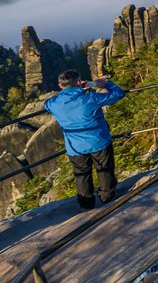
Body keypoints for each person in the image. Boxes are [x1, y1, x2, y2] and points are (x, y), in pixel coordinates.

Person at [44, 70, 126, 210]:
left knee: (81, 175)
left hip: (74, 147)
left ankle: (86, 204)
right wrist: (106, 84)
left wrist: (74, 90)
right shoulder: (90, 98)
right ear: (78, 82)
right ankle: (107, 198)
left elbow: (46, 104)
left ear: (60, 85)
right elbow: (119, 93)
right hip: (98, 141)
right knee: (104, 170)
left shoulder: (54, 104)